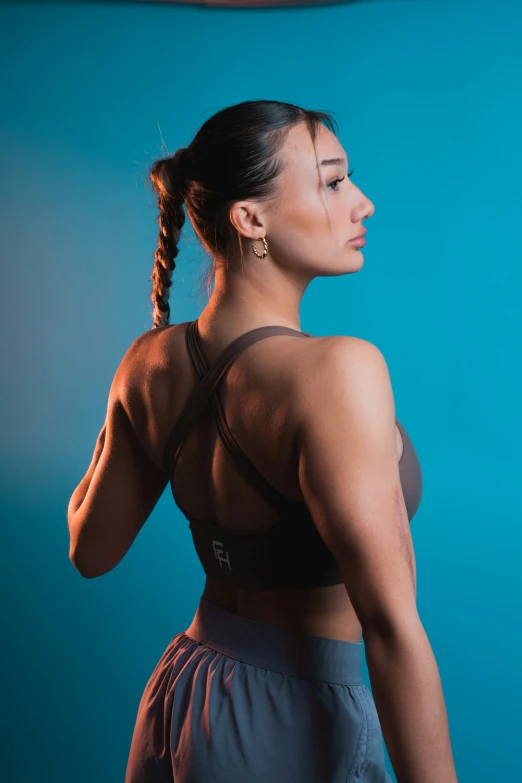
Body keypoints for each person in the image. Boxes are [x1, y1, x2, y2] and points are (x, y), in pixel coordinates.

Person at [68, 100, 458, 782]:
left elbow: (88, 549)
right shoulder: (340, 372)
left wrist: (124, 399)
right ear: (250, 218)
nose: (362, 203)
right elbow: (391, 630)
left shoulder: (147, 362)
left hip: (186, 697)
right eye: (333, 182)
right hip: (299, 717)